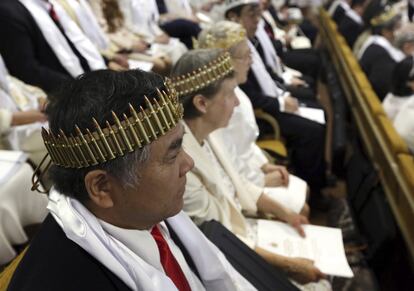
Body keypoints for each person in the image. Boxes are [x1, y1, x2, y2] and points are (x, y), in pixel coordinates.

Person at [7, 68, 257, 291]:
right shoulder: (68, 278)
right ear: (102, 187)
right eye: (172, 154)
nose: (188, 163)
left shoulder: (140, 210)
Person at [171, 49, 329, 287]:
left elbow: (235, 183)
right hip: (230, 257)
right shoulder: (182, 164)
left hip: (242, 230)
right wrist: (290, 265)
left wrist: (286, 213)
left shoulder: (209, 133)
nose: (236, 102)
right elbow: (218, 239)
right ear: (202, 103)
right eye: (230, 94)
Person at [196, 20, 309, 215]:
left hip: (252, 170)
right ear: (225, 60)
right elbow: (227, 164)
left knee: (303, 190)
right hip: (242, 185)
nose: (251, 61)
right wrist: (262, 180)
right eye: (245, 56)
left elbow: (245, 145)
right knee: (302, 208)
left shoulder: (236, 90)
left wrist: (265, 165)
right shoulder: (220, 103)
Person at [0, 0, 106, 93]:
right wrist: (78, 86)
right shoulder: (9, 11)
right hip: (61, 95)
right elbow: (26, 70)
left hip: (84, 81)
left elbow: (75, 45)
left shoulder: (51, 5)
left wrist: (106, 62)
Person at [358, 7, 404, 100]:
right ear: (385, 32)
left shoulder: (374, 43)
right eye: (397, 27)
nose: (400, 31)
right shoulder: (382, 56)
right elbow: (385, 89)